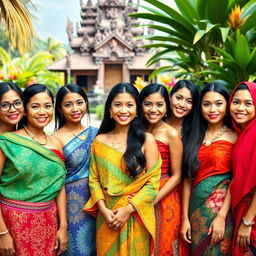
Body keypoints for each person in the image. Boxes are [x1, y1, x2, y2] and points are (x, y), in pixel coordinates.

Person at [83, 83, 161, 256]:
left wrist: (128, 209)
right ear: (110, 110)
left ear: (137, 111)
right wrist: (103, 210)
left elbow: (153, 183)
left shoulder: (147, 140)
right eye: (117, 105)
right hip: (107, 219)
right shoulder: (99, 141)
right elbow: (94, 180)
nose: (123, 110)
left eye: (129, 105)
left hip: (136, 214)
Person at [0, 84, 68, 256]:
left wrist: (63, 227)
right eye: (35, 106)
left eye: (47, 106)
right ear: (25, 110)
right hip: (14, 221)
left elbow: (59, 186)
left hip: (48, 221)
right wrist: (2, 233)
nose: (42, 112)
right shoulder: (7, 141)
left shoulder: (57, 143)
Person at [180, 82, 237, 255]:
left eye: (218, 103)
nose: (213, 109)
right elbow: (187, 179)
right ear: (200, 107)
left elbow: (236, 179)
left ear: (227, 106)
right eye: (207, 104)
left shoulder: (235, 137)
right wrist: (184, 218)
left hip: (221, 213)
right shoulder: (192, 135)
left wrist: (221, 217)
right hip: (194, 212)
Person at [140, 83, 189, 255]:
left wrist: (153, 199)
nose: (154, 110)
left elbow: (177, 176)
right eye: (148, 104)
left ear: (166, 107)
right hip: (138, 192)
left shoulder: (171, 134)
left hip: (164, 194)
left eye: (159, 105)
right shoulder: (136, 129)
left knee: (164, 245)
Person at [54, 84, 97, 256]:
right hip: (71, 207)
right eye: (68, 104)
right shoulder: (54, 139)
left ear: (86, 104)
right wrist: (62, 225)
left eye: (79, 103)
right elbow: (57, 183)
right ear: (60, 109)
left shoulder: (97, 133)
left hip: (99, 204)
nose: (75, 109)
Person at [229, 82, 256, 255]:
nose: (241, 108)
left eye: (248, 103)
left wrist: (248, 222)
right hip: (243, 211)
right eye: (236, 102)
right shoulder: (242, 134)